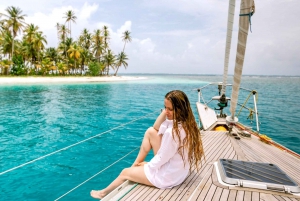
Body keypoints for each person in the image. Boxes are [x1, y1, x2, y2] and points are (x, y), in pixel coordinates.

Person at [90, 90, 204, 199]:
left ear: (180, 110)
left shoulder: (172, 132)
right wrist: (167, 111)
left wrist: (147, 166)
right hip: (179, 172)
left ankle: (103, 193)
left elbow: (161, 158)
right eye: (165, 107)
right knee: (150, 132)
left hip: (168, 177)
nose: (166, 111)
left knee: (125, 173)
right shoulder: (187, 124)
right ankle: (135, 166)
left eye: (170, 109)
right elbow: (155, 128)